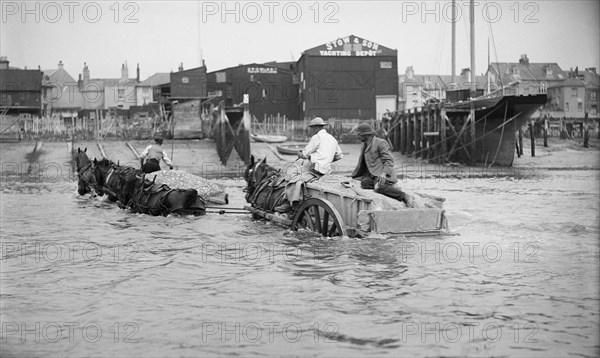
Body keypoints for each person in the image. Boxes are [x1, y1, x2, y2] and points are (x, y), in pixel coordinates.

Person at [275, 117, 343, 213]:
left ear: (316, 128)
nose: (311, 130)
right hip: (326, 170)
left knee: (291, 175)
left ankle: (289, 202)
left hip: (314, 169)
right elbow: (340, 156)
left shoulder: (317, 137)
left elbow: (305, 154)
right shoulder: (332, 139)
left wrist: (299, 154)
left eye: (312, 128)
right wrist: (327, 160)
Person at [351, 123, 414, 207]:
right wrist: (354, 176)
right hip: (373, 176)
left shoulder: (381, 143)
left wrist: (384, 174)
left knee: (378, 188)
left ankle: (404, 196)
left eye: (359, 134)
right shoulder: (365, 145)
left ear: (366, 135)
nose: (357, 136)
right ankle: (389, 188)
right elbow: (362, 164)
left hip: (383, 175)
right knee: (364, 184)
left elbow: (389, 161)